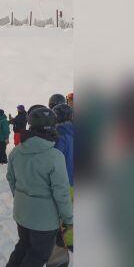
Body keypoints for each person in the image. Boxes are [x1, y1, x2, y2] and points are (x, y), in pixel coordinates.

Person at [3, 107, 73, 267]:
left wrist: (21, 198)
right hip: (44, 219)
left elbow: (11, 179)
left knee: (24, 244)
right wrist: (68, 217)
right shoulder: (53, 156)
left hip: (22, 212)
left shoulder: (17, 151)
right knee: (38, 254)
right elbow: (61, 192)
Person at [53, 103, 74, 250]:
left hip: (65, 182)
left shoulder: (59, 136)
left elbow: (54, 159)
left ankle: (68, 242)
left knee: (64, 213)